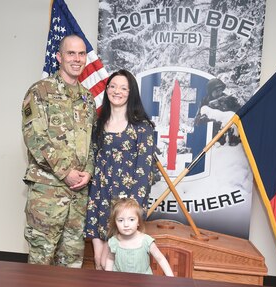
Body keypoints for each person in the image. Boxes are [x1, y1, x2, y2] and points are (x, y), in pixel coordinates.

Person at [21, 34, 96, 267]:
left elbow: (92, 142)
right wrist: (65, 171)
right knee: (40, 264)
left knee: (72, 265)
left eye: (81, 54)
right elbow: (34, 138)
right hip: (48, 195)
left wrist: (89, 171)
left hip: (77, 196)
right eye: (71, 53)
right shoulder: (40, 92)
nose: (77, 59)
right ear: (59, 57)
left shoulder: (88, 99)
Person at [84, 69, 157, 270]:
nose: (117, 91)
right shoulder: (99, 124)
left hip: (122, 204)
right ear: (107, 90)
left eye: (123, 88)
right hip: (98, 198)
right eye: (113, 86)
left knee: (115, 264)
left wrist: (131, 210)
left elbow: (144, 172)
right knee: (99, 261)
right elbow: (93, 159)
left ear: (130, 92)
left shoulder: (142, 128)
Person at [104, 198, 174, 276]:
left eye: (131, 219)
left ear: (138, 222)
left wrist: (171, 278)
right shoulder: (114, 241)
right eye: (120, 220)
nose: (126, 224)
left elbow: (160, 259)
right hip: (119, 281)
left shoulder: (146, 241)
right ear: (115, 223)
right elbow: (110, 259)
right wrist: (108, 278)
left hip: (143, 282)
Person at [194, 78, 240, 145]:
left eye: (220, 90)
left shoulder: (228, 99)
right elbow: (197, 121)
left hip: (226, 137)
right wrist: (210, 109)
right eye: (216, 91)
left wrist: (229, 104)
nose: (219, 93)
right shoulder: (205, 101)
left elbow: (238, 114)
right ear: (211, 91)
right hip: (210, 138)